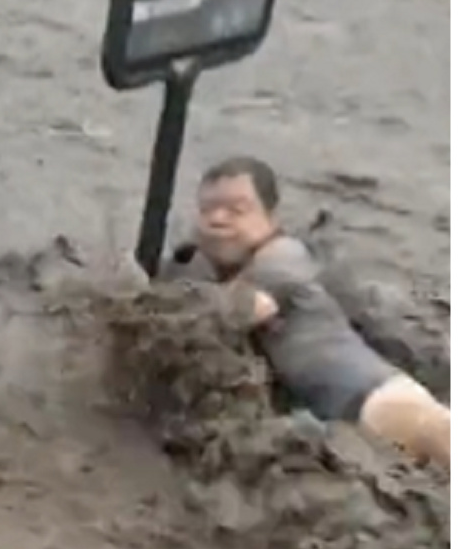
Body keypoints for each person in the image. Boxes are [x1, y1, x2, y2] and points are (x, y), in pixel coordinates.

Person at [165, 155, 449, 468]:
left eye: (237, 210)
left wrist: (156, 305)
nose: (218, 219)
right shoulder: (243, 269)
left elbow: (245, 310)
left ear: (271, 218)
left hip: (380, 402)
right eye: (207, 210)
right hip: (356, 414)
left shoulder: (279, 257)